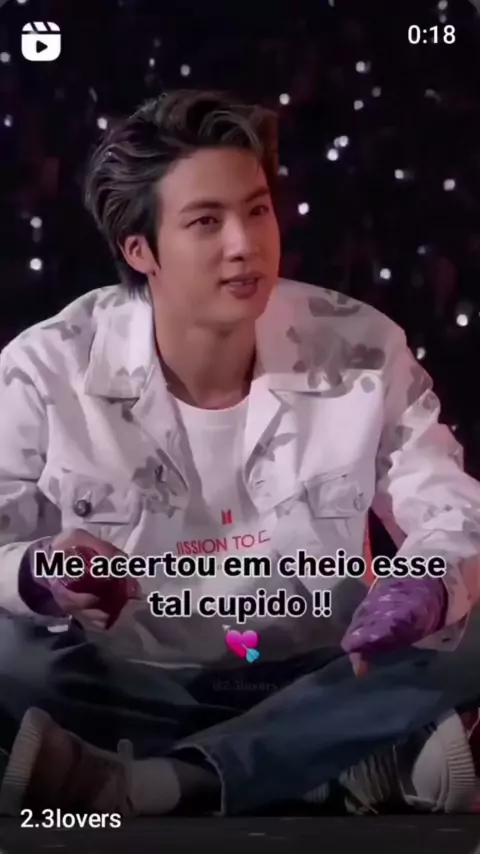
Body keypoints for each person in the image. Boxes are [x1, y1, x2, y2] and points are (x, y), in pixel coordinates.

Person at [0, 88, 480, 818]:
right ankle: (335, 763)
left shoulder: (360, 345)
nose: (245, 244)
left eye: (257, 211)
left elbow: (450, 508)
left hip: (325, 670)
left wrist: (424, 584)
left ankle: (158, 783)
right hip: (132, 684)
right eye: (206, 221)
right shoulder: (46, 368)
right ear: (139, 249)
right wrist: (42, 573)